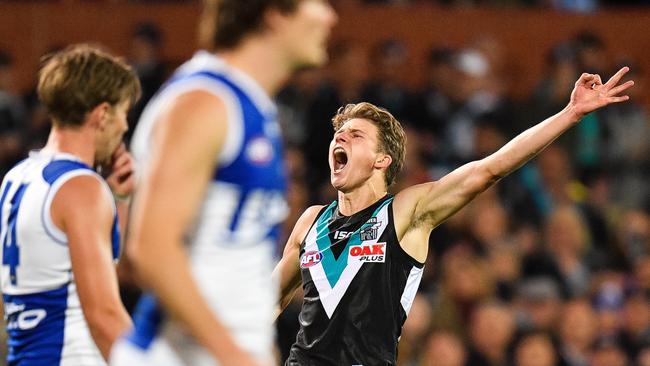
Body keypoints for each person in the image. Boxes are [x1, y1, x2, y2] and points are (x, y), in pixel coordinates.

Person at [274, 67, 634, 365]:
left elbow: (487, 170)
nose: (341, 139)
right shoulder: (311, 221)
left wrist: (569, 113)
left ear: (383, 160)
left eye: (355, 135)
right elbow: (265, 302)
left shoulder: (404, 211)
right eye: (338, 134)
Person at [109, 1, 337, 365]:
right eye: (318, 4)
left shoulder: (252, 105)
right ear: (275, 13)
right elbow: (151, 249)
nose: (330, 16)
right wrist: (234, 354)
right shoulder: (204, 101)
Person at [0, 44, 140, 365]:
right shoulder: (81, 188)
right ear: (103, 114)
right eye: (123, 113)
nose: (125, 127)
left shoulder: (16, 178)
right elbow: (104, 315)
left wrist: (118, 199)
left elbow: (78, 278)